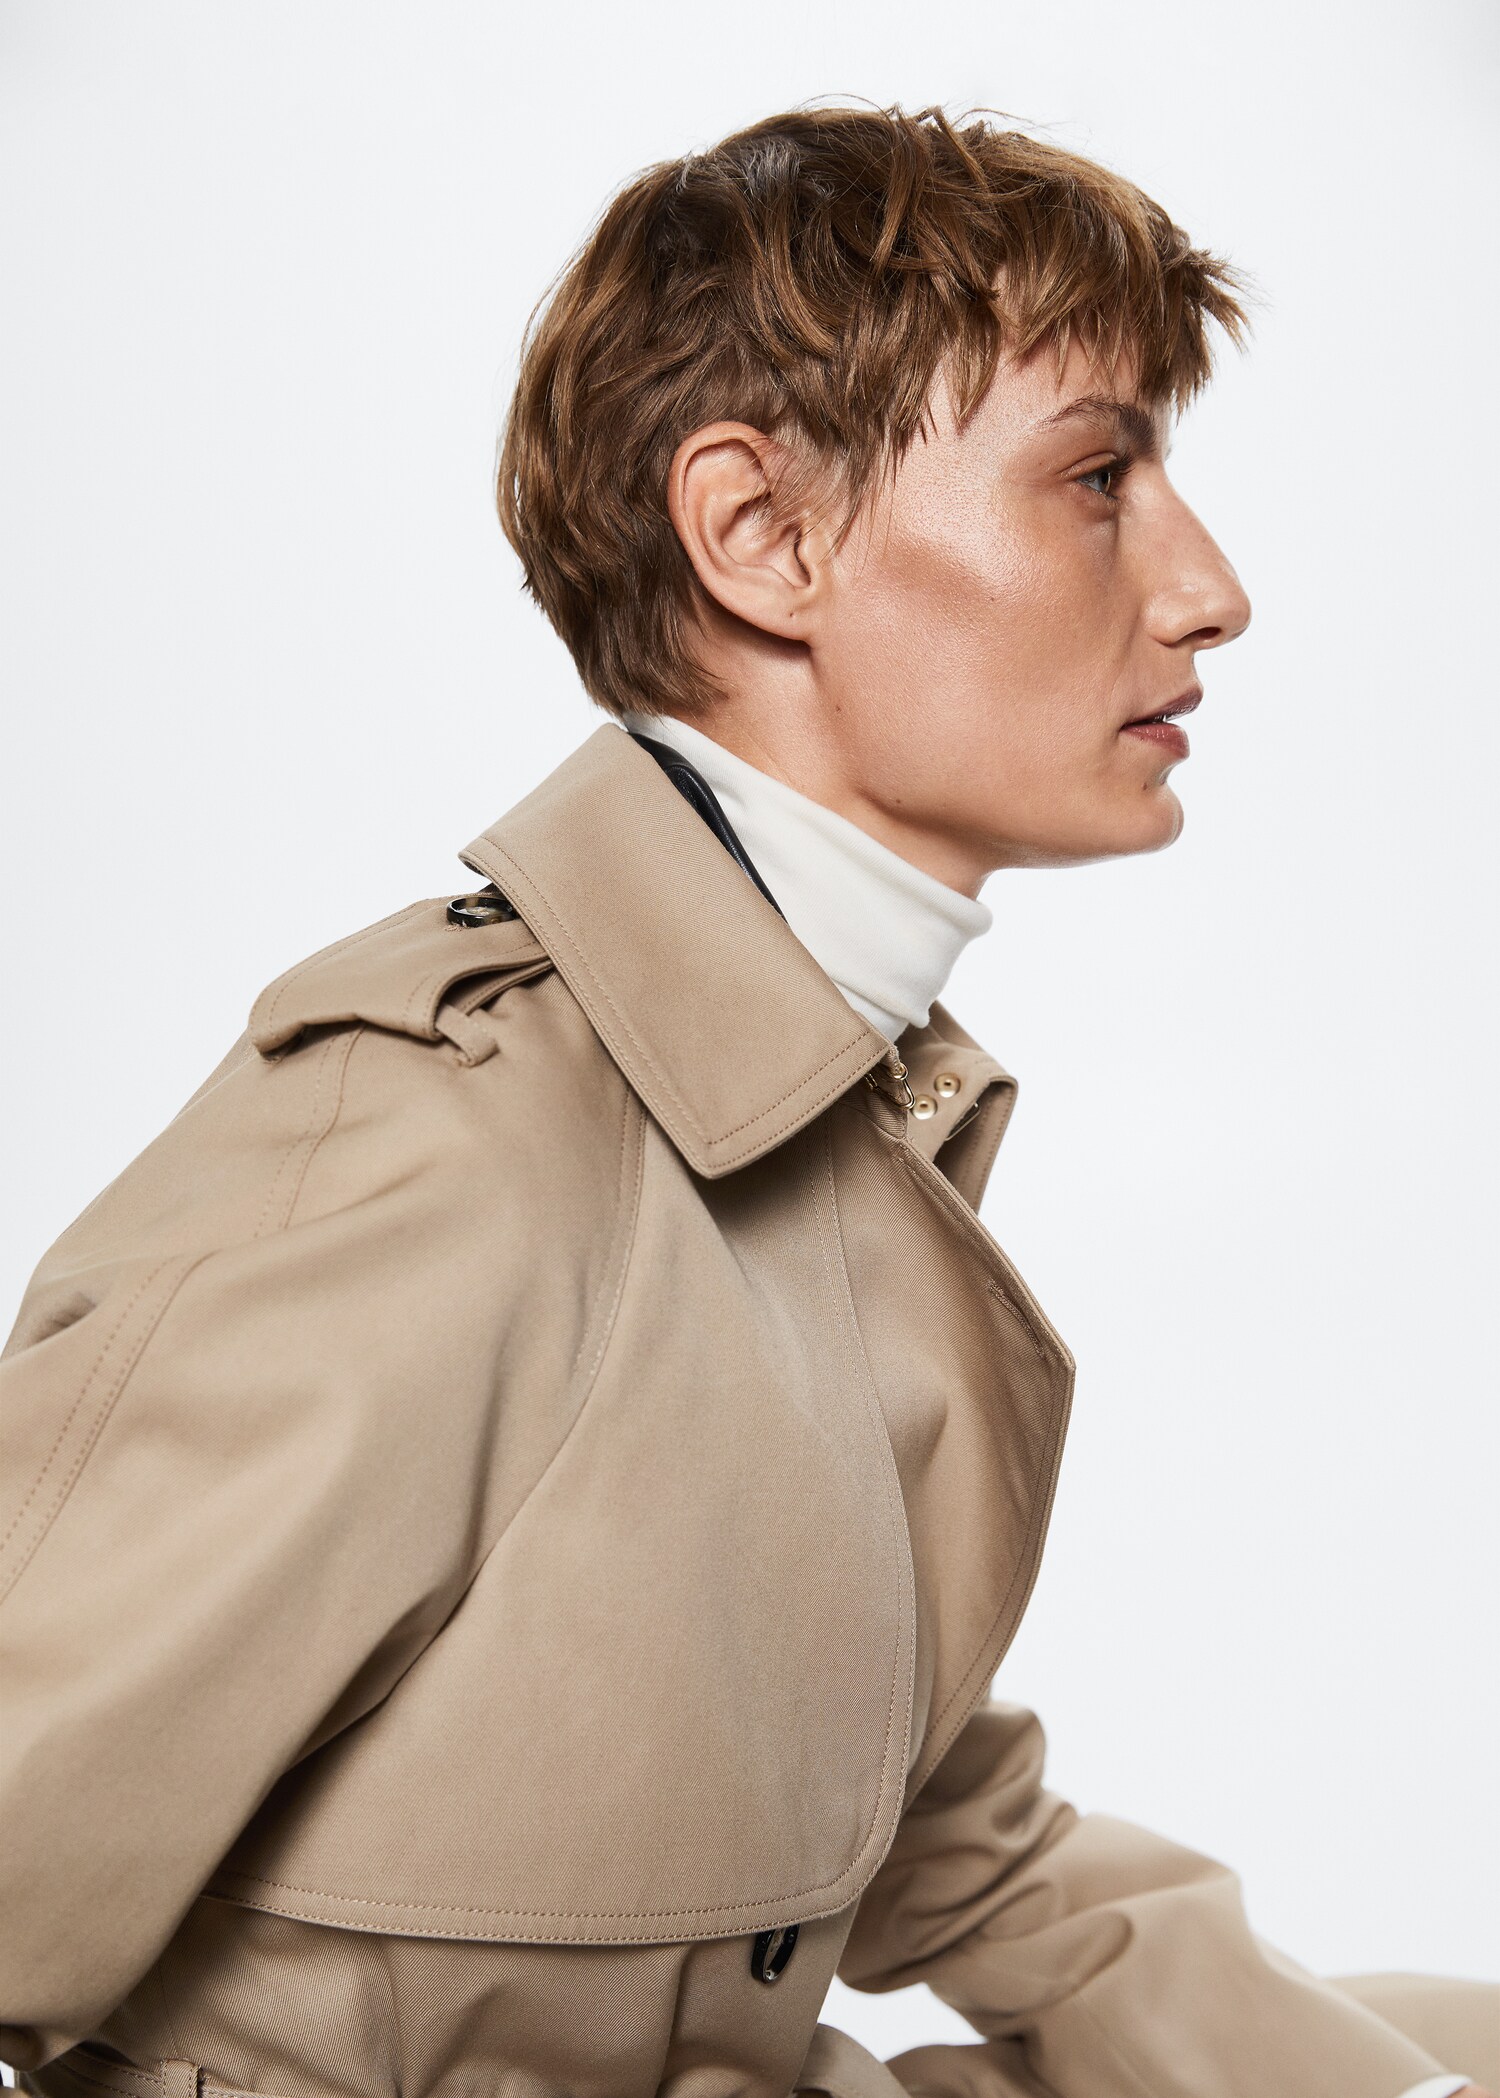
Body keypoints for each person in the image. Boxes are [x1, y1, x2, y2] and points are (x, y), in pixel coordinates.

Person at [0, 102, 1493, 2098]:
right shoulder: (438, 1149)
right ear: (763, 536)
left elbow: (924, 1814)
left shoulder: (814, 1107)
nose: (1211, 589)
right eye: (1097, 476)